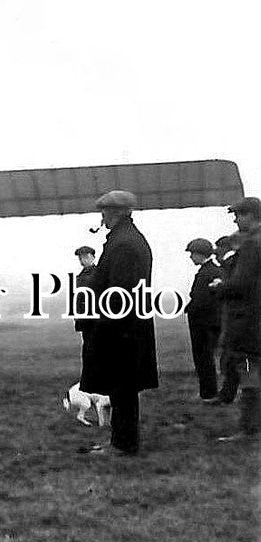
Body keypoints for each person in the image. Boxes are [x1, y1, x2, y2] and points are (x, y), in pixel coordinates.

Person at [79, 190, 159, 455]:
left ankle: (124, 444)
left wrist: (102, 327)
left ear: (120, 213)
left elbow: (119, 295)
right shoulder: (124, 239)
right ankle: (121, 441)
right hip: (127, 328)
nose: (104, 216)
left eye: (108, 211)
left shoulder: (123, 244)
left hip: (122, 330)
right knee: (121, 388)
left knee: (123, 388)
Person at [211, 197, 261, 441]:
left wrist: (221, 286)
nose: (235, 219)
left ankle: (249, 428)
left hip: (249, 324)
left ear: (251, 215)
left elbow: (241, 284)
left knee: (250, 372)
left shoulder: (252, 245)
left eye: (239, 215)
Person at [183, 238, 223, 402]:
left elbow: (200, 299)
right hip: (213, 321)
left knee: (203, 359)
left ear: (200, 254)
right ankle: (213, 392)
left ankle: (208, 393)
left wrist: (189, 308)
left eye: (193, 254)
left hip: (202, 323)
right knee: (211, 358)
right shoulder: (216, 270)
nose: (191, 257)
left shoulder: (205, 273)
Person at [212, 234, 242, 404]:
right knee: (232, 359)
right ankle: (227, 394)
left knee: (234, 359)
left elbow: (234, 284)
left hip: (238, 317)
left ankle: (229, 395)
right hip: (234, 316)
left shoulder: (237, 260)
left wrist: (220, 287)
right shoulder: (235, 261)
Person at [74, 246, 98, 375]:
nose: (83, 260)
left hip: (97, 318)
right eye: (81, 257)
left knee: (97, 349)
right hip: (85, 320)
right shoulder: (79, 277)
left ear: (93, 257)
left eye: (86, 256)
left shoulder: (99, 274)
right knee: (88, 350)